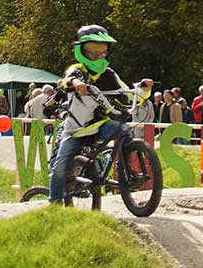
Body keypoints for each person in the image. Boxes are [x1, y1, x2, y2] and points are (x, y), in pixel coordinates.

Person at [49, 25, 153, 204]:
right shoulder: (78, 70)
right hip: (77, 129)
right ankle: (54, 203)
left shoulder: (109, 74)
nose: (98, 56)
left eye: (102, 51)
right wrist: (76, 82)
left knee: (124, 129)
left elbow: (126, 97)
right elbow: (66, 80)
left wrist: (143, 90)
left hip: (100, 125)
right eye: (93, 51)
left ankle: (124, 170)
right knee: (60, 169)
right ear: (81, 51)